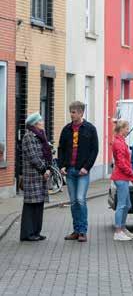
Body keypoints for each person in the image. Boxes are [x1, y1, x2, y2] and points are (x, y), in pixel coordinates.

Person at [58, 101, 98, 243]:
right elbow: (61, 148)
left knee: (81, 200)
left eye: (74, 112)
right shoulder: (66, 129)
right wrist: (61, 165)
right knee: (74, 201)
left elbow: (94, 150)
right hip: (70, 171)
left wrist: (86, 167)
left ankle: (83, 231)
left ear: (81, 113)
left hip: (82, 172)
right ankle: (76, 230)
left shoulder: (90, 129)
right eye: (71, 112)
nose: (71, 114)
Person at [20, 113, 52, 241]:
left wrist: (48, 168)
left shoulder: (40, 135)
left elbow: (45, 153)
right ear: (35, 124)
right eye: (40, 121)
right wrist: (44, 169)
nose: (43, 123)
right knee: (30, 205)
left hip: (41, 175)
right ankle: (28, 234)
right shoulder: (28, 136)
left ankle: (36, 232)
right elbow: (33, 157)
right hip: (33, 176)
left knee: (39, 204)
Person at [111, 120, 133, 241]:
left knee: (127, 205)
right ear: (122, 129)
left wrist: (131, 176)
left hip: (123, 177)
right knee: (122, 205)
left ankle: (122, 228)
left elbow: (125, 162)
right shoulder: (118, 143)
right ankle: (118, 231)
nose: (128, 130)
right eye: (127, 128)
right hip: (121, 177)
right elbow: (122, 163)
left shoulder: (121, 141)